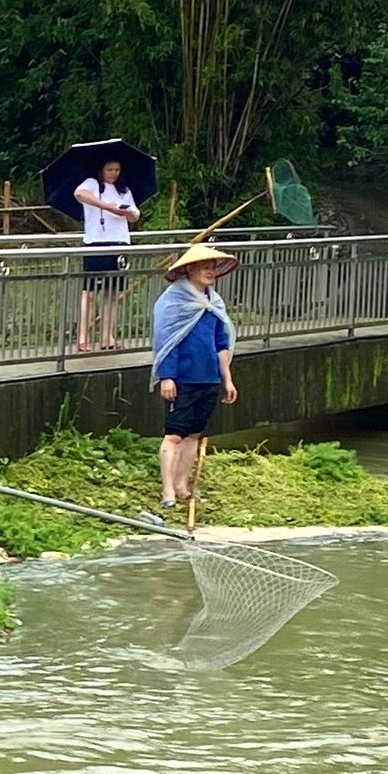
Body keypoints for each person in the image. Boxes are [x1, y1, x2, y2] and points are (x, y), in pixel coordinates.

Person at [150, 241, 239, 510]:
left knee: (194, 435)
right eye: (205, 267)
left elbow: (221, 344)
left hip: (209, 378)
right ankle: (167, 490)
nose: (210, 272)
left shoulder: (214, 302)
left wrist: (227, 379)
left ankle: (182, 485)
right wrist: (167, 376)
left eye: (213, 268)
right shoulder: (174, 301)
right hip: (183, 378)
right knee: (174, 434)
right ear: (190, 269)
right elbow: (166, 340)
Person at [72, 155, 141, 351]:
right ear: (102, 169)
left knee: (112, 294)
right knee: (90, 293)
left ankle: (107, 337)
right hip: (96, 243)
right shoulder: (93, 184)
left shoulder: (124, 190)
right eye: (110, 170)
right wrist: (106, 207)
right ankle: (83, 338)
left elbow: (135, 214)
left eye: (117, 170)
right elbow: (80, 194)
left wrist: (127, 213)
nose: (113, 174)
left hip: (119, 243)